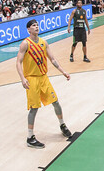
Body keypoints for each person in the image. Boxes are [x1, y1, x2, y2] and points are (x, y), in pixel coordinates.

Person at [16, 19, 72, 149]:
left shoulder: (43, 42)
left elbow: (52, 59)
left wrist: (63, 71)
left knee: (56, 102)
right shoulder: (25, 44)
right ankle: (30, 137)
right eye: (33, 26)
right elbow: (18, 62)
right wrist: (22, 78)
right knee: (34, 108)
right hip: (32, 79)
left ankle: (62, 124)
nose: (36, 27)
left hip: (43, 78)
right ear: (28, 29)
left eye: (37, 25)